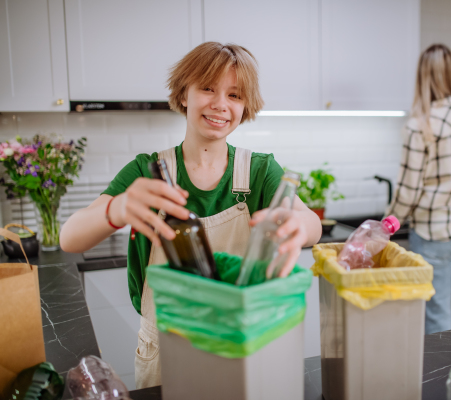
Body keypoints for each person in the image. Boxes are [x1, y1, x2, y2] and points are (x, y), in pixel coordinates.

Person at [60, 42, 322, 388]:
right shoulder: (147, 171)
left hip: (242, 343)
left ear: (245, 106)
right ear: (184, 94)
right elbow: (70, 237)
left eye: (235, 95)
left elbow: (311, 222)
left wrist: (298, 227)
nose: (220, 104)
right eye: (208, 88)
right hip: (166, 347)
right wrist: (117, 208)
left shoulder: (260, 171)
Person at [386, 44, 451, 335]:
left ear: (422, 77)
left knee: (438, 319)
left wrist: (387, 225)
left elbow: (408, 189)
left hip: (434, 236)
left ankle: (446, 381)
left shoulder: (420, 125)